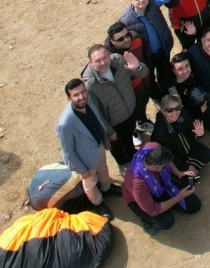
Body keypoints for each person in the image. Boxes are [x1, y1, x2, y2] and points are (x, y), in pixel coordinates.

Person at [81, 42, 141, 170]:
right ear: (90, 63)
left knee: (128, 138)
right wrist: (108, 130)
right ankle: (123, 165)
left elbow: (141, 74)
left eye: (105, 57)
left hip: (130, 112)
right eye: (98, 60)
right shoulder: (90, 85)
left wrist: (138, 67)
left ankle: (133, 157)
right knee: (117, 146)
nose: (103, 63)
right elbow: (96, 112)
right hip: (114, 123)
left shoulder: (119, 61)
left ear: (110, 55)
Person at [56, 79, 116, 205]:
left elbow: (98, 120)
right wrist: (82, 170)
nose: (82, 97)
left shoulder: (89, 101)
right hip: (84, 159)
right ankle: (98, 202)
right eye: (76, 95)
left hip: (98, 147)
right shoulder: (65, 124)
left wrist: (104, 139)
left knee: (103, 169)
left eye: (83, 91)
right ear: (69, 99)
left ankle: (107, 188)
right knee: (90, 182)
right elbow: (68, 152)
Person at [123, 142, 200, 233]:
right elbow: (153, 210)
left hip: (158, 185)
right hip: (138, 199)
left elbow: (168, 161)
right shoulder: (137, 186)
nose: (166, 167)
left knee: (194, 205)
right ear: (153, 167)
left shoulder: (153, 147)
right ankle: (147, 222)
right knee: (167, 221)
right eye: (163, 167)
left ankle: (165, 203)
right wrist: (179, 196)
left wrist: (178, 173)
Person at [119, 0, 174, 92]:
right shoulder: (125, 20)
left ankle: (167, 93)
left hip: (163, 49)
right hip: (146, 56)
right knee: (149, 78)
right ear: (131, 0)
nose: (142, 0)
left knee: (164, 72)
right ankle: (157, 98)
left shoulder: (152, 2)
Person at [107, 21, 153, 136]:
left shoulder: (136, 39)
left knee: (142, 106)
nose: (127, 39)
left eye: (127, 35)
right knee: (131, 115)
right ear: (112, 42)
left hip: (144, 83)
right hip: (129, 94)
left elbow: (145, 57)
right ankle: (134, 132)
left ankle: (142, 122)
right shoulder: (110, 59)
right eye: (120, 39)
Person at [158, 52, 210, 133]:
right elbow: (178, 112)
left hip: (199, 103)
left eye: (187, 66)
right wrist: (198, 112)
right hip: (188, 112)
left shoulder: (192, 75)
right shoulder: (172, 90)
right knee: (197, 134)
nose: (185, 71)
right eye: (180, 69)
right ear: (174, 71)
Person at [152, 94, 210, 173]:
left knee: (207, 154)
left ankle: (193, 168)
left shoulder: (183, 114)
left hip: (190, 148)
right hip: (177, 159)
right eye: (170, 110)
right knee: (190, 178)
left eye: (177, 108)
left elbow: (192, 133)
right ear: (164, 112)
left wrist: (200, 133)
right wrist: (186, 167)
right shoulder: (160, 134)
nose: (174, 113)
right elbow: (169, 157)